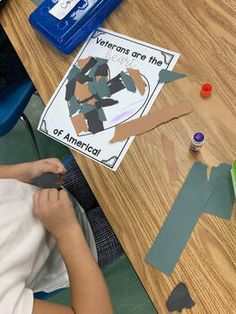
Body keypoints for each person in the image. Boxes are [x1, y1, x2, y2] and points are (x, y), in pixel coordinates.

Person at [0, 157, 123, 314]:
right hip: (83, 246)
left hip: (53, 190)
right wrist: (66, 231)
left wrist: (24, 171)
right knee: (154, 214)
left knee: (132, 154)